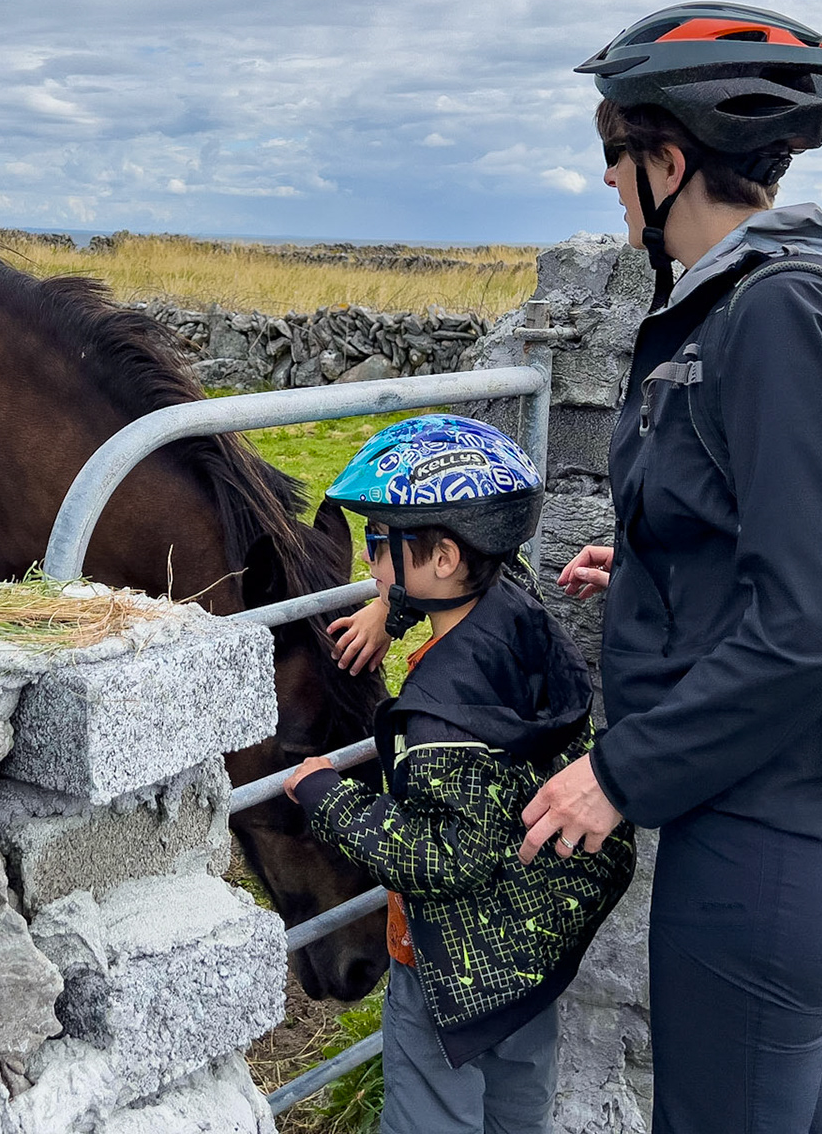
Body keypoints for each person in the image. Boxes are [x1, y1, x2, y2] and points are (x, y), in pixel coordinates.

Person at [332, 2, 822, 1133]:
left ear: (666, 160)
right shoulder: (763, 297)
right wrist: (657, 560)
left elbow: (809, 623)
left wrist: (620, 776)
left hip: (783, 828)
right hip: (795, 804)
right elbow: (798, 529)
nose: (607, 188)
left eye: (613, 159)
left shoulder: (775, 318)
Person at [282, 414, 635, 1134]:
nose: (371, 567)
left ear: (444, 557)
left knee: (430, 1113)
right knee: (518, 1104)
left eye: (380, 545)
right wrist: (395, 606)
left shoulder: (441, 720)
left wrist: (326, 796)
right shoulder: (520, 609)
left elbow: (444, 853)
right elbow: (495, 569)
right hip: (531, 949)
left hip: (450, 969)